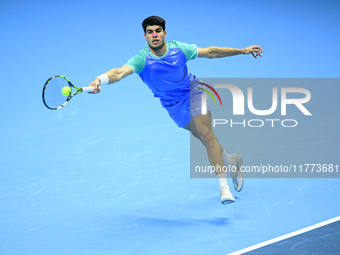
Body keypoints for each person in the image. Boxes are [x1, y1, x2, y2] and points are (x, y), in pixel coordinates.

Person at [88, 16, 263, 205]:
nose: (154, 35)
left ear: (164, 33)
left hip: (194, 91)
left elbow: (211, 52)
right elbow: (119, 72)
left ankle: (224, 188)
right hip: (172, 105)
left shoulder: (179, 49)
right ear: (145, 36)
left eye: (157, 31)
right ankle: (231, 160)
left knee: (206, 133)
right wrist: (100, 79)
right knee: (202, 137)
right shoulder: (141, 59)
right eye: (150, 32)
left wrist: (242, 51)